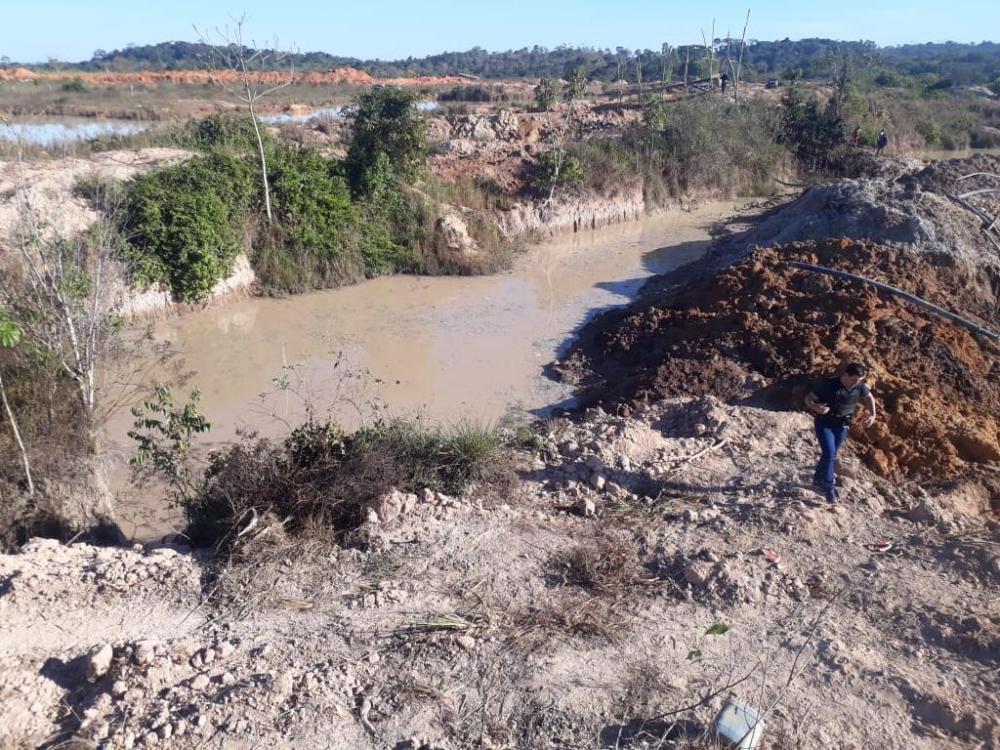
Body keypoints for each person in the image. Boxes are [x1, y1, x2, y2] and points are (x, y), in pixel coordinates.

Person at [804, 362, 877, 502]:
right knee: (830, 453)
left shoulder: (859, 386)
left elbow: (869, 397)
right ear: (845, 375)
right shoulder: (828, 384)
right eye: (854, 380)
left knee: (830, 455)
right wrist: (816, 407)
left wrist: (872, 415)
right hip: (824, 424)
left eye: (859, 381)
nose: (856, 383)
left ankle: (818, 480)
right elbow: (808, 399)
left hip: (842, 426)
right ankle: (829, 488)